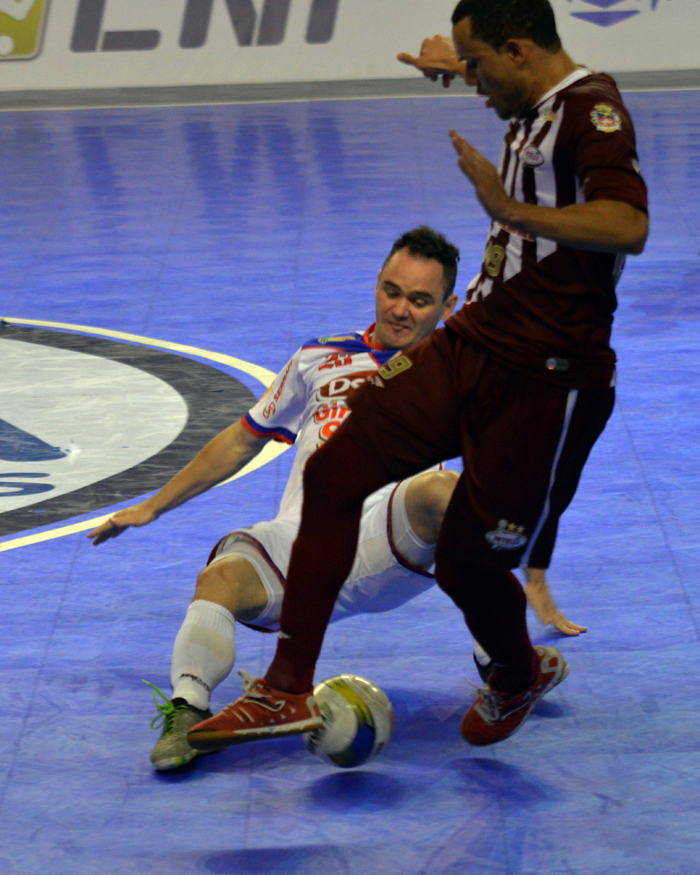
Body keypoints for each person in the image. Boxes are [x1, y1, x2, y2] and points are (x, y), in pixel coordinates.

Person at [186, 0, 648, 755]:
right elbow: (522, 137)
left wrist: (503, 208)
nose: (472, 83)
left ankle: (515, 671)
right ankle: (286, 686)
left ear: (522, 51)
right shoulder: (532, 99)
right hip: (472, 343)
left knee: (469, 560)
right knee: (336, 474)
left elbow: (629, 224)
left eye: (478, 66)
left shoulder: (593, 112)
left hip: (544, 380)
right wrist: (461, 65)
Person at [90, 226, 573, 769]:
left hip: (388, 538)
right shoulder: (320, 357)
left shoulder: (465, 368)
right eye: (392, 291)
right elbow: (243, 437)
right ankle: (188, 713)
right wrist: (153, 505)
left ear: (448, 305)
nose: (400, 310)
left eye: (420, 301)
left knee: (443, 492)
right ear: (376, 284)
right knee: (220, 577)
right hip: (302, 539)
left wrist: (533, 564)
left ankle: (507, 665)